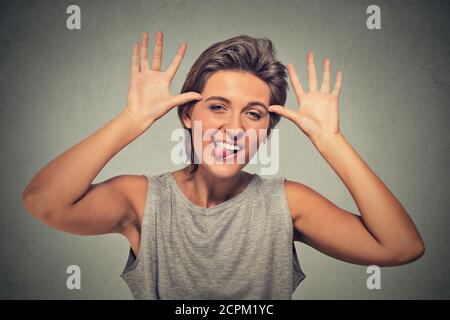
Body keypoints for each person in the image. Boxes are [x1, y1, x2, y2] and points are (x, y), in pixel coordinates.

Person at [22, 31, 425, 300]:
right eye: (217, 108)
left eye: (253, 114)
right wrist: (130, 119)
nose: (233, 128)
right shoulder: (143, 199)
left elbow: (401, 247)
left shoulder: (287, 203)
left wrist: (331, 142)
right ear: (186, 115)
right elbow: (45, 202)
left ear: (267, 129)